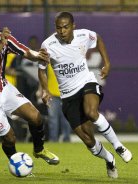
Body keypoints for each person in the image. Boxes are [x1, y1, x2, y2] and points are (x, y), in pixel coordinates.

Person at [38, 12, 132, 179]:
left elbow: (99, 39)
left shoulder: (83, 35)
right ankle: (109, 159)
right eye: (59, 28)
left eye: (66, 27)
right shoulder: (48, 45)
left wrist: (107, 63)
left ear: (73, 26)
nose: (62, 31)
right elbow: (42, 69)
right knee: (88, 140)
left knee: (91, 112)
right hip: (67, 95)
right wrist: (45, 89)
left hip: (86, 83)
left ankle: (118, 146)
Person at [0, 4, 59, 165]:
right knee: (10, 138)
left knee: (36, 117)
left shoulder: (4, 37)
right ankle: (17, 164)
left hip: (3, 89)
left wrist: (40, 56)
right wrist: (1, 45)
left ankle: (39, 150)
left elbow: (25, 51)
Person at [47, 64, 71, 142]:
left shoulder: (67, 62)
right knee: (53, 119)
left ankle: (66, 139)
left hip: (66, 94)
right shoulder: (48, 62)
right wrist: (42, 90)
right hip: (52, 94)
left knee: (66, 119)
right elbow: (43, 77)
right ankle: (53, 140)